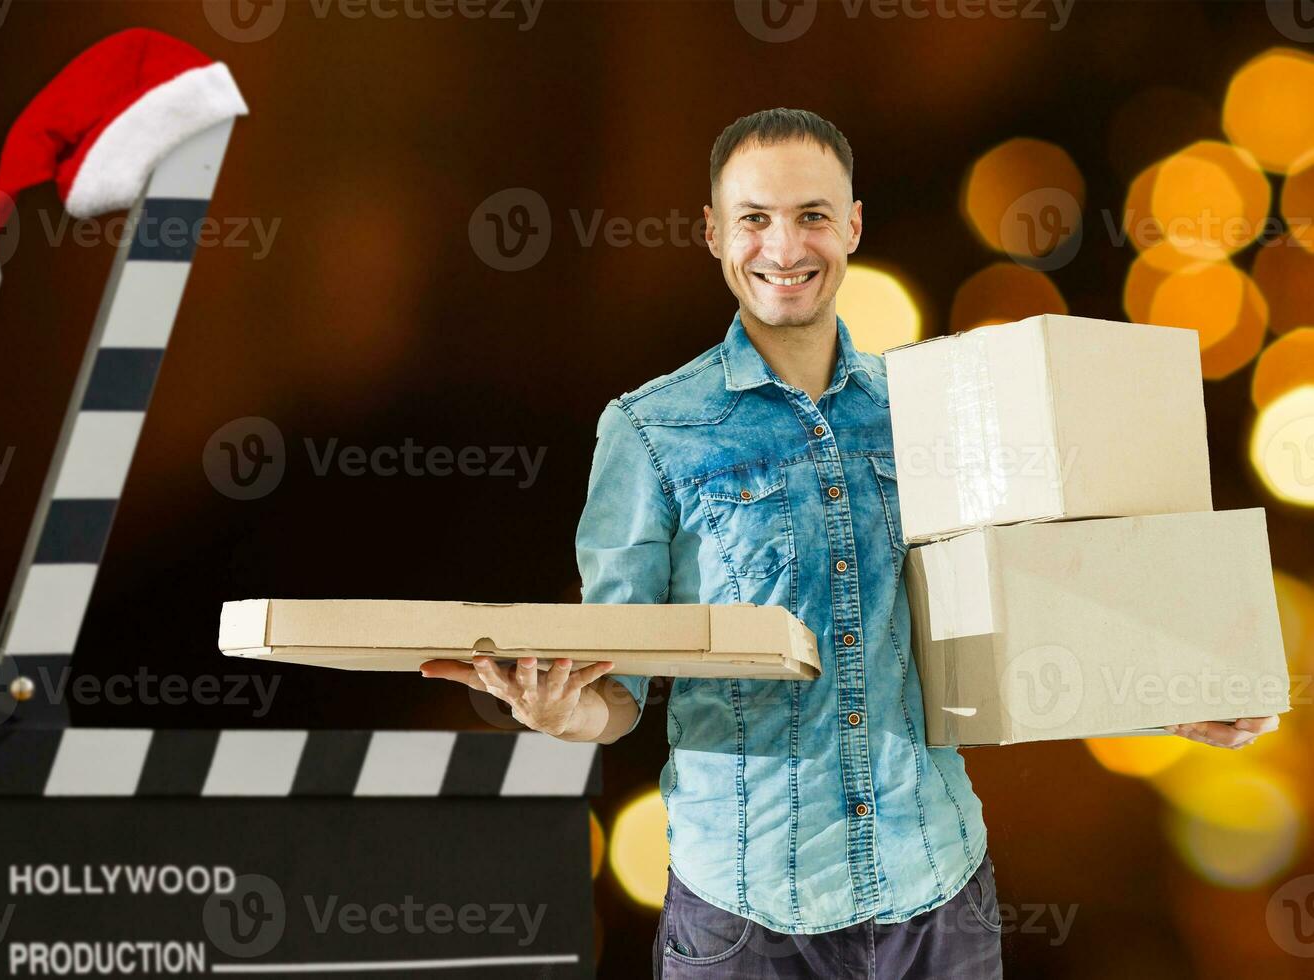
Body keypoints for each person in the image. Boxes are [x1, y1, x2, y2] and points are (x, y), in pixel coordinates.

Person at [419, 108, 1278, 978]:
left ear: (853, 226)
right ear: (714, 232)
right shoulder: (649, 433)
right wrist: (564, 714)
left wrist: (1163, 695)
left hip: (939, 900)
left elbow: (1013, 618)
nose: (784, 247)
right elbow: (622, 686)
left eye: (813, 216)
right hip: (747, 924)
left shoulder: (927, 406)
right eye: (754, 218)